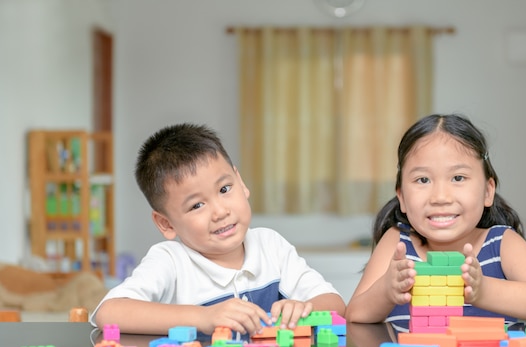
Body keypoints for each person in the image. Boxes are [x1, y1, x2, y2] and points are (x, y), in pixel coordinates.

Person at [91, 123, 345, 335]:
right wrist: (203, 317)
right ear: (166, 224)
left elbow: (334, 303)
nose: (220, 212)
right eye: (197, 205)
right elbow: (109, 312)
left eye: (225, 189)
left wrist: (304, 309)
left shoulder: (271, 246)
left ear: (241, 182)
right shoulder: (170, 261)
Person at [345, 114, 526, 328]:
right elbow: (354, 314)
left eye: (458, 177)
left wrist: (483, 291)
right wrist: (386, 290)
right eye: (423, 180)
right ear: (402, 198)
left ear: (488, 191)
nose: (440, 197)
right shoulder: (397, 243)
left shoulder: (501, 243)